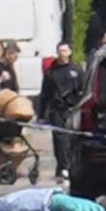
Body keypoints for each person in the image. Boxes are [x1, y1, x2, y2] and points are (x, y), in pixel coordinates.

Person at [38, 42, 87, 183]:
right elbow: (45, 94)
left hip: (73, 109)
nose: (62, 54)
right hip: (57, 109)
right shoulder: (51, 72)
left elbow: (83, 89)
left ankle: (71, 166)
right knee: (59, 139)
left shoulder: (76, 70)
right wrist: (41, 115)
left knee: (73, 139)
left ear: (69, 52)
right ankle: (62, 167)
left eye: (64, 51)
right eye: (60, 51)